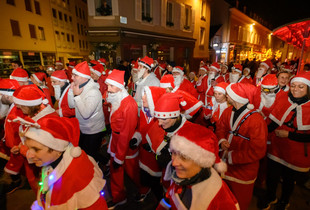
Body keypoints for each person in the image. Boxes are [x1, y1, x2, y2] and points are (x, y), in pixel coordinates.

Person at [17, 115, 108, 209]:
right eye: (29, 148)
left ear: (57, 149)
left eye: (36, 149)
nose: (29, 155)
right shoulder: (52, 162)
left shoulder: (78, 176)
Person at [157, 123, 239, 210]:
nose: (174, 163)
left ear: (202, 162)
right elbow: (169, 200)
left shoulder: (220, 200)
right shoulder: (180, 175)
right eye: (173, 153)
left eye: (184, 157)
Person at [259, 72, 310, 210]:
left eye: (301, 86)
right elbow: (273, 124)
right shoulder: (284, 100)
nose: (295, 89)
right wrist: (259, 132)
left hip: (295, 151)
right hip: (277, 147)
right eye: (293, 85)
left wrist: (289, 135)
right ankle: (270, 196)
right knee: (272, 176)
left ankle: (285, 200)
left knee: (288, 179)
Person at [216, 83, 268, 210]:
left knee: (240, 201)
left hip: (244, 169)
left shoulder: (256, 120)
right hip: (225, 163)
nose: (226, 96)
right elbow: (221, 128)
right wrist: (222, 140)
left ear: (237, 97)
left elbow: (258, 150)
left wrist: (232, 156)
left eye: (228, 94)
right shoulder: (228, 111)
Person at [105, 70, 148, 209]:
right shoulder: (114, 96)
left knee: (132, 171)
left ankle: (144, 189)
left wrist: (119, 156)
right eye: (108, 86)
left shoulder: (129, 104)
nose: (108, 89)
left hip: (126, 143)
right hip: (115, 139)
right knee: (115, 171)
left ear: (120, 86)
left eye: (112, 86)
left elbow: (126, 132)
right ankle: (119, 197)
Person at [135, 86, 167, 203]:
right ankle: (146, 191)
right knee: (144, 177)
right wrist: (136, 138)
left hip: (155, 159)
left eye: (146, 96)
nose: (142, 97)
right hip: (144, 155)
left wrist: (153, 147)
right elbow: (140, 130)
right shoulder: (144, 112)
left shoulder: (161, 118)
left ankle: (162, 202)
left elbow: (166, 138)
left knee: (156, 182)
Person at [71, 61, 105, 161]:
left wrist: (76, 96)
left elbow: (86, 114)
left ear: (84, 77)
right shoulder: (80, 86)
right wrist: (71, 92)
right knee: (85, 153)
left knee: (91, 156)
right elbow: (71, 105)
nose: (72, 78)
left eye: (75, 75)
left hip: (93, 130)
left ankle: (104, 166)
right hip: (83, 128)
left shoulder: (93, 92)